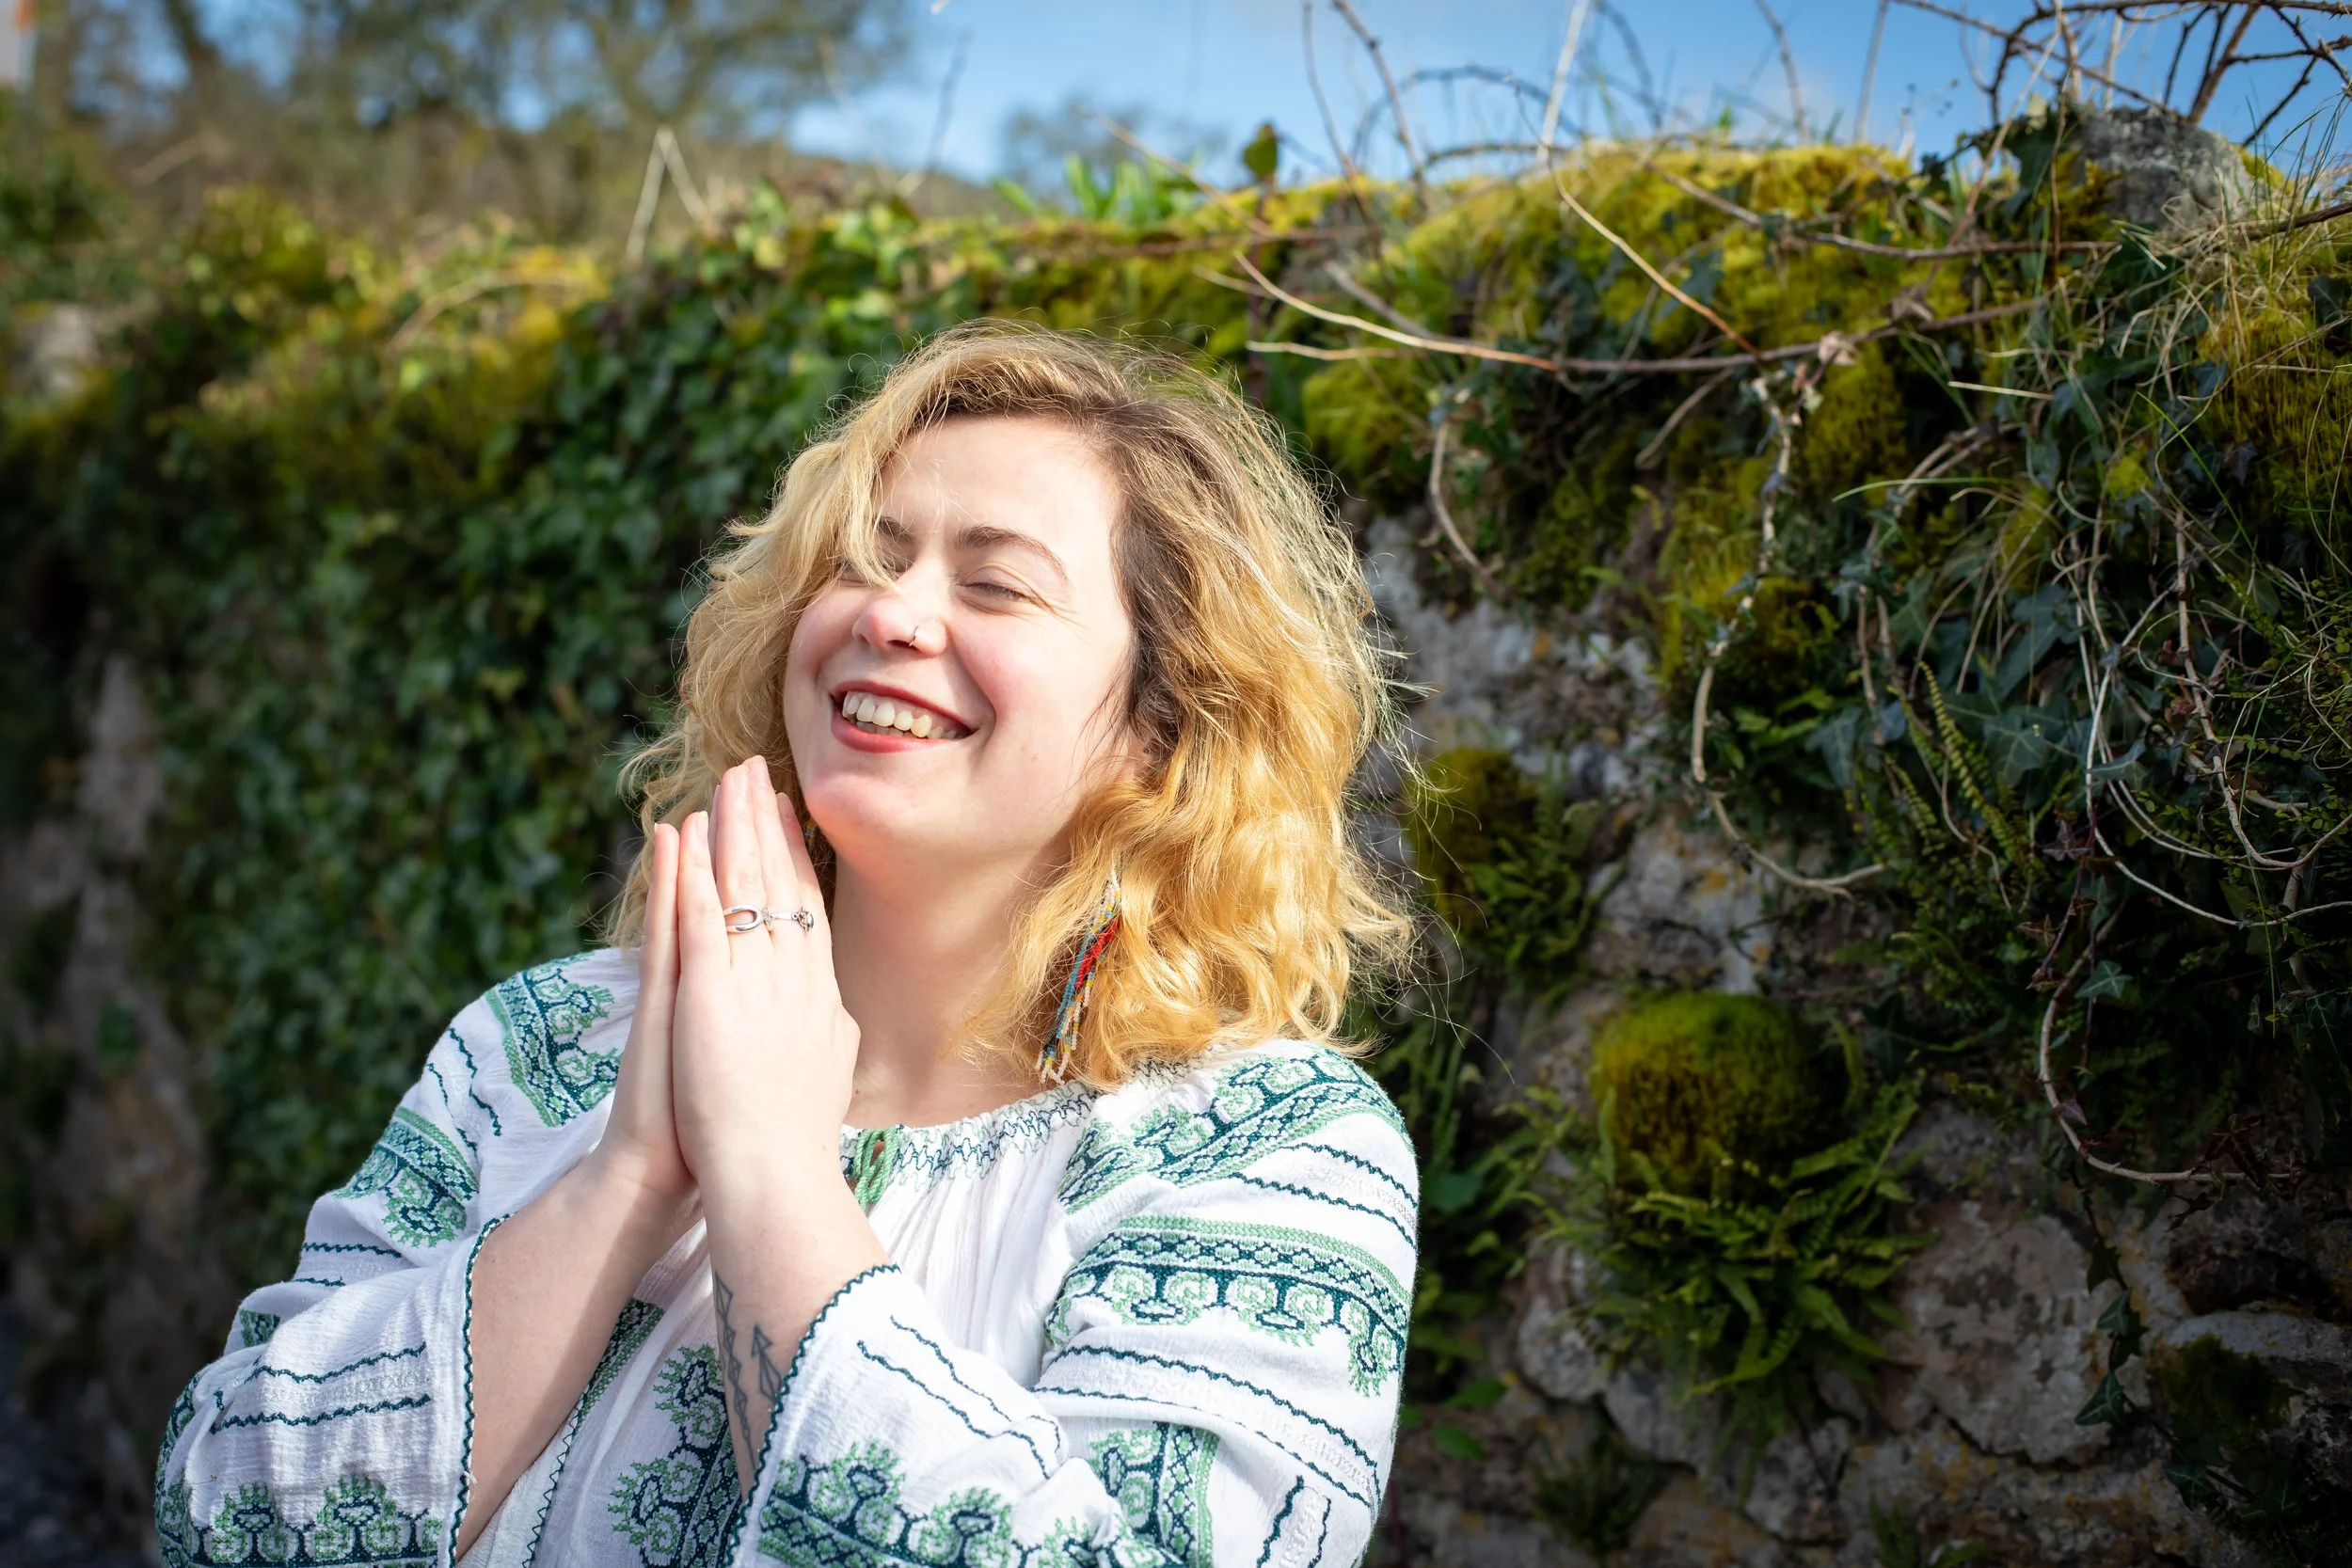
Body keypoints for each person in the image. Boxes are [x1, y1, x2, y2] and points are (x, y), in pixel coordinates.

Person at [154, 323, 1422, 1568]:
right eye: (867, 559)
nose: (892, 612)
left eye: (995, 584)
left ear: (1161, 731)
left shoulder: (1270, 1152)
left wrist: (766, 1162)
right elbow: (222, 1514)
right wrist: (626, 1175)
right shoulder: (539, 1048)